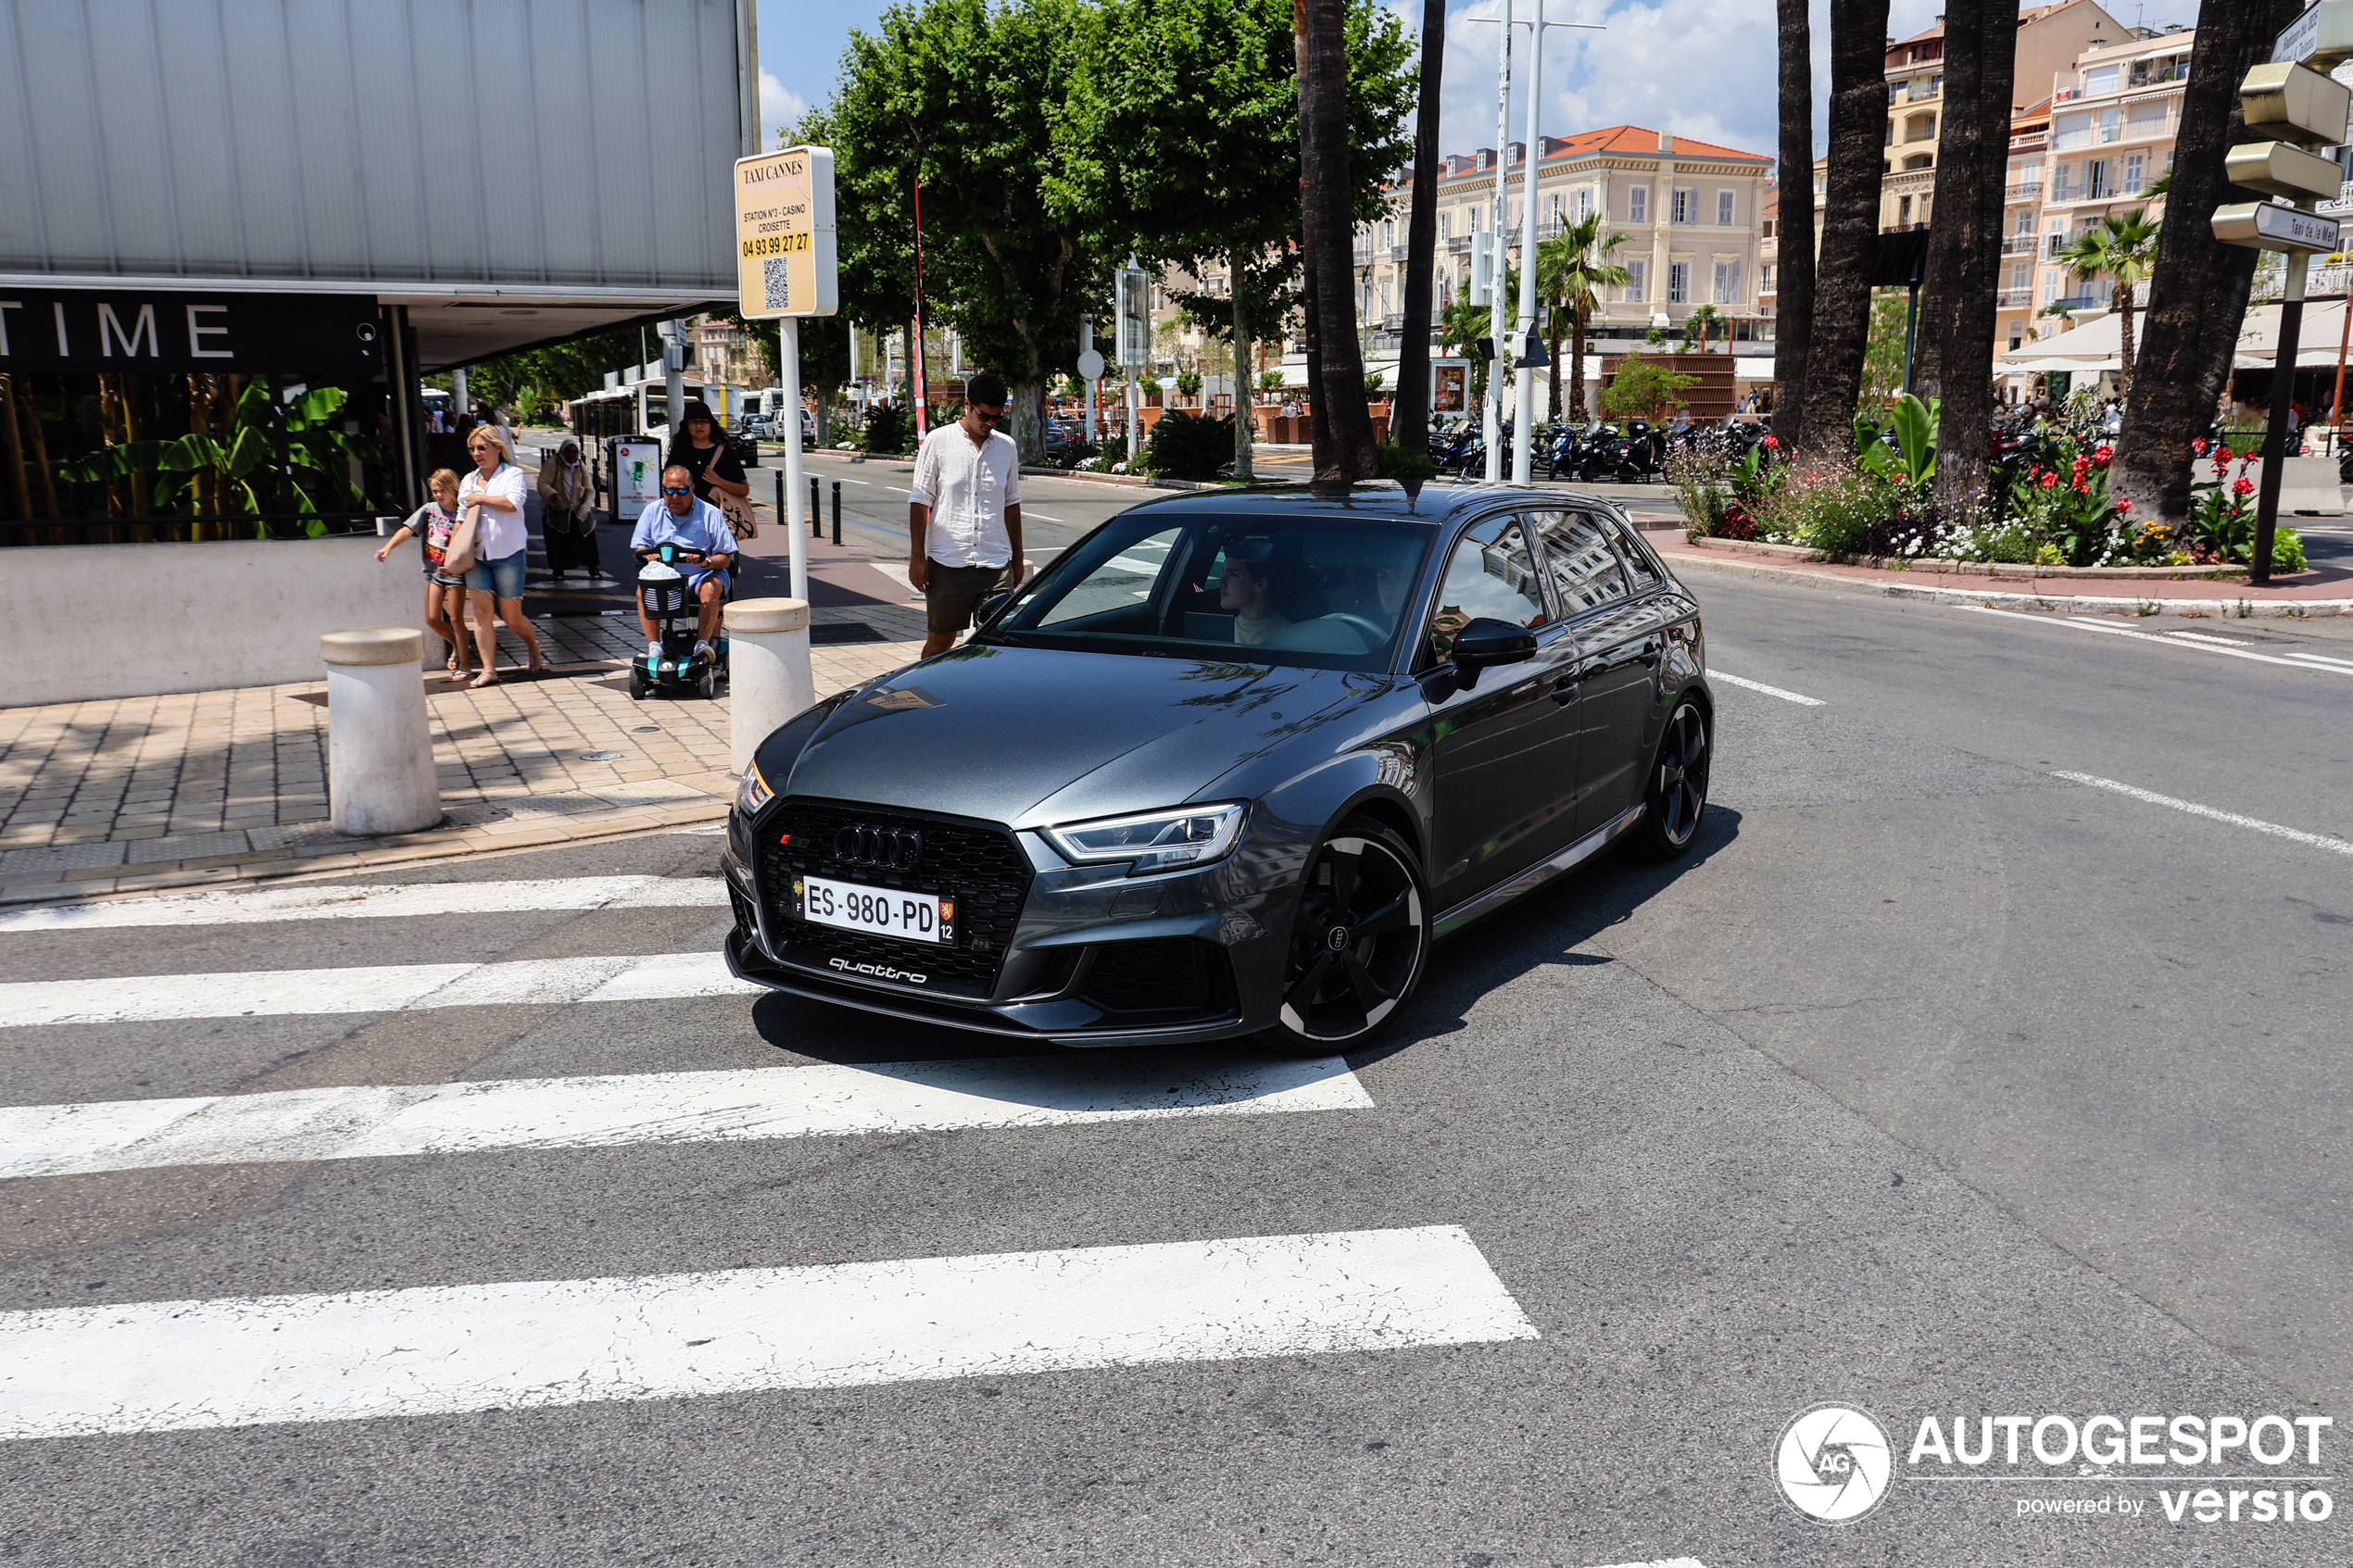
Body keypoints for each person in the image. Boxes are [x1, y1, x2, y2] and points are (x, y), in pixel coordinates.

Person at [908, 370, 1024, 659]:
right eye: (983, 416)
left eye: (997, 418)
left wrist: (1018, 559)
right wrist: (917, 556)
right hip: (948, 563)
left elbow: (1011, 503)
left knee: (998, 643)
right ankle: (923, 694)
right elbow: (920, 500)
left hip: (995, 564)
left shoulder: (1006, 447)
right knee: (941, 641)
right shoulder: (938, 441)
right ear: (968, 405)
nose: (989, 424)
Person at [456, 423, 544, 686]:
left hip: (508, 554)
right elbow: (460, 519)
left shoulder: (513, 474)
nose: (477, 453)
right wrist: (452, 552)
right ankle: (489, 669)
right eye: (472, 449)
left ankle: (532, 645)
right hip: (477, 557)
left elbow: (511, 503)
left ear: (498, 448)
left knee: (512, 618)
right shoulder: (468, 481)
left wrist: (480, 499)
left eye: (482, 448)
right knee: (482, 615)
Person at [630, 464, 736, 656]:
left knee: (711, 587)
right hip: (665, 576)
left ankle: (702, 644)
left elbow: (725, 558)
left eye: (681, 491)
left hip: (701, 575)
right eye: (668, 491)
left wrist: (706, 561)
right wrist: (649, 555)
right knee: (642, 589)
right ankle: (654, 646)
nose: (674, 496)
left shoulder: (710, 513)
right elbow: (640, 547)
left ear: (692, 488)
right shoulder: (652, 511)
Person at [375, 468, 472, 675]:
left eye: (442, 490)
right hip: (433, 571)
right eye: (435, 491)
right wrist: (388, 547)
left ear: (454, 489)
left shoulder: (462, 512)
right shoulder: (429, 509)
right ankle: (457, 645)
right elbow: (407, 529)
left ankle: (465, 665)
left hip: (455, 572)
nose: (438, 495)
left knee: (456, 619)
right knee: (432, 618)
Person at [665, 399, 750, 511]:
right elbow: (666, 486)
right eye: (694, 422)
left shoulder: (726, 453)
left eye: (704, 421)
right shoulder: (679, 453)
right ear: (687, 426)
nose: (699, 426)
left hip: (719, 516)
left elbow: (744, 489)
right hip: (685, 516)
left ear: (711, 425)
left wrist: (718, 481)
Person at [538, 437, 601, 583]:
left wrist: (584, 510)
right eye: (569, 452)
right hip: (557, 509)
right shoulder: (553, 463)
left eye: (575, 452)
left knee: (587, 538)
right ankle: (558, 570)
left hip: (577, 508)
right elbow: (543, 483)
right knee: (558, 542)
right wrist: (551, 494)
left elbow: (590, 490)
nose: (572, 456)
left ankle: (593, 569)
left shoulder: (580, 465)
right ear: (562, 452)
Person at [1219, 556, 1290, 646]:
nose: (1220, 582)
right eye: (1223, 572)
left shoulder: (1289, 636)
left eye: (1233, 574)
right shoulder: (1217, 631)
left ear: (1260, 584)